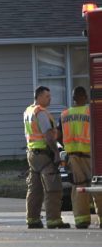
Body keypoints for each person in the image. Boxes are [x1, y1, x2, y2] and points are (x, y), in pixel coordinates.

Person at [23, 86, 70, 229]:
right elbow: (48, 136)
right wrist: (56, 153)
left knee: (35, 189)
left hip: (32, 155)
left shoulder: (28, 111)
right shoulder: (41, 112)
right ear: (38, 97)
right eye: (47, 96)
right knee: (53, 188)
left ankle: (32, 219)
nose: (50, 99)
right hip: (44, 155)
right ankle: (53, 220)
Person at [60, 86, 101, 229]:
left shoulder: (64, 114)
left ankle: (81, 220)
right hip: (91, 156)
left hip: (73, 157)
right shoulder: (91, 112)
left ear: (73, 98)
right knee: (97, 185)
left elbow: (58, 135)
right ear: (85, 97)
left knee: (78, 187)